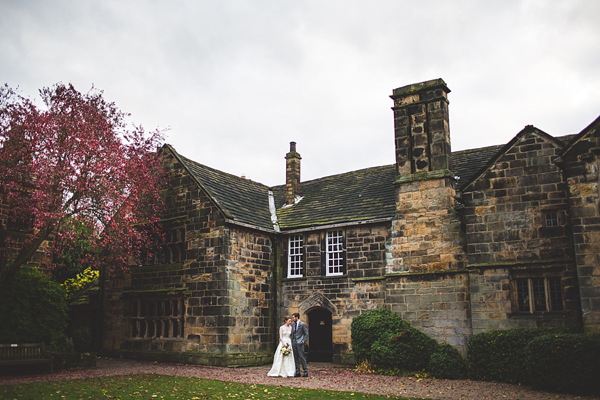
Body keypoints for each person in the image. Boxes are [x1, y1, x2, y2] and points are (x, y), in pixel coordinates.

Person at [291, 312, 308, 377]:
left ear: (296, 317)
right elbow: (293, 333)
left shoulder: (302, 324)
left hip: (300, 343)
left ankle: (305, 371)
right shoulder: (293, 325)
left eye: (293, 317)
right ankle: (297, 371)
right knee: (295, 358)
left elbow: (306, 334)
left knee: (302, 357)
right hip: (294, 342)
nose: (292, 319)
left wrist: (303, 341)